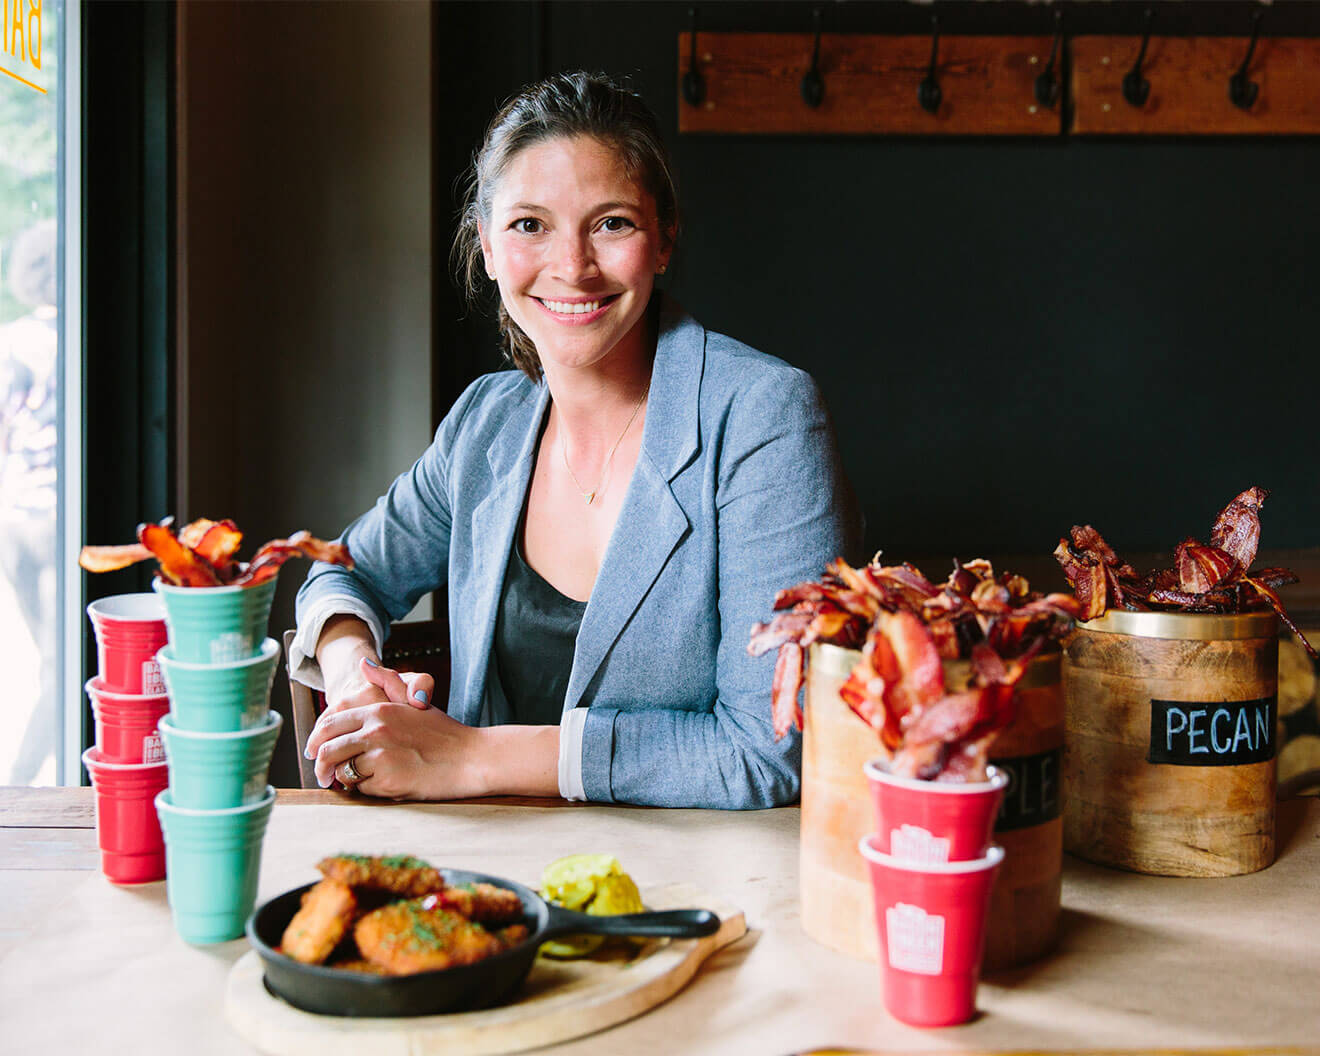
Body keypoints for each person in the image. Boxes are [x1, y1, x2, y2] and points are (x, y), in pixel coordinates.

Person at [291, 71, 860, 808]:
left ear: (664, 238)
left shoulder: (763, 416)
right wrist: (354, 678)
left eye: (612, 223)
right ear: (487, 247)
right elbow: (341, 574)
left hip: (685, 871)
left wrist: (470, 756)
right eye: (530, 225)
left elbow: (771, 747)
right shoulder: (485, 422)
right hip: (484, 867)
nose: (572, 267)